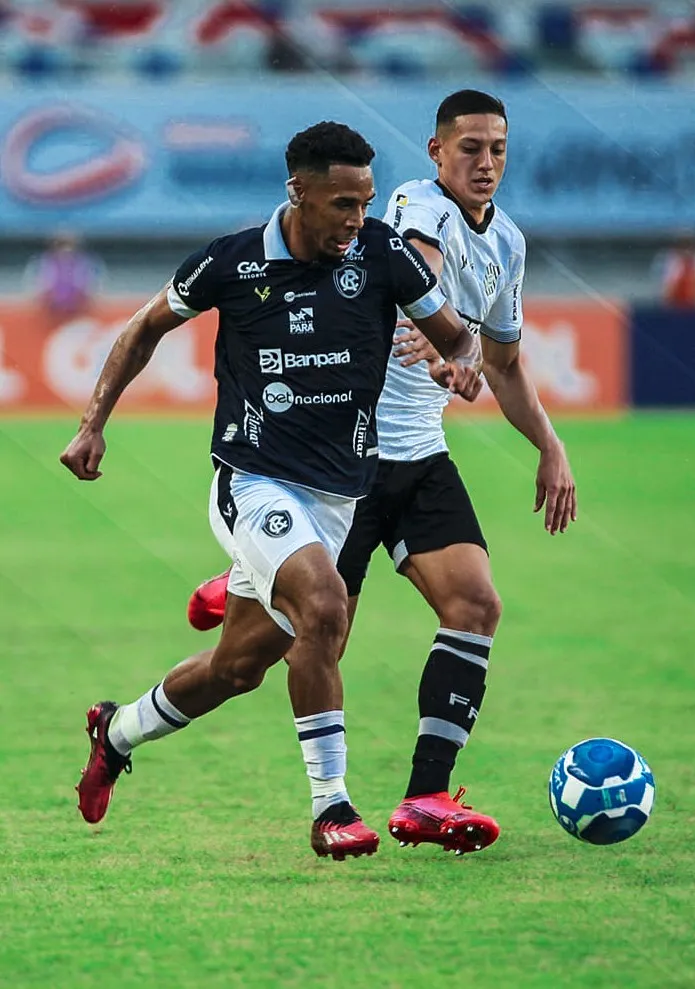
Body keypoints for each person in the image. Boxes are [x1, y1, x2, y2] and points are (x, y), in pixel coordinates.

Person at [60, 121, 482, 861]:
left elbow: (457, 335)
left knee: (236, 668)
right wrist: (93, 424)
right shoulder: (232, 261)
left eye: (366, 202)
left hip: (338, 498)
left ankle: (117, 731)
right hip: (252, 482)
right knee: (324, 605)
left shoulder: (382, 252)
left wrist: (460, 363)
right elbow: (142, 327)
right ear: (299, 192)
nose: (356, 220)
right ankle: (332, 807)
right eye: (342, 204)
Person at [188, 90, 577, 856]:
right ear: (436, 152)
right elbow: (418, 265)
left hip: (420, 456)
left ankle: (425, 795)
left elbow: (500, 364)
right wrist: (437, 323)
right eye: (469, 148)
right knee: (282, 651)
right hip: (347, 467)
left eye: (497, 149)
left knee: (475, 604)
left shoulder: (507, 245)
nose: (485, 163)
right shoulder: (410, 207)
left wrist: (548, 444)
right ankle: (245, 579)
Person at [26, 230, 102, 318]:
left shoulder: (83, 262)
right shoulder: (45, 261)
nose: (66, 250)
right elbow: (39, 285)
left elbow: (90, 285)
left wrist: (85, 297)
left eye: (69, 246)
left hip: (77, 307)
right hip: (52, 308)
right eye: (62, 245)